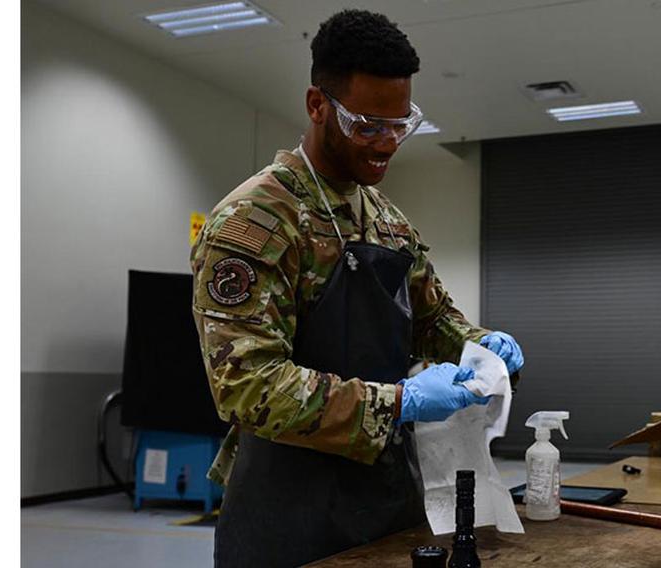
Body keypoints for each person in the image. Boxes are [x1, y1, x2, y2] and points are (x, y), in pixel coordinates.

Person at [190, 9, 524, 568]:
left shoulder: (387, 221)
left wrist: (482, 344)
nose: (387, 144)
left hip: (386, 500)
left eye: (400, 125)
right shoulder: (257, 222)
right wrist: (401, 402)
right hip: (289, 510)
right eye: (367, 125)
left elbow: (434, 322)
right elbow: (247, 386)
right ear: (318, 106)